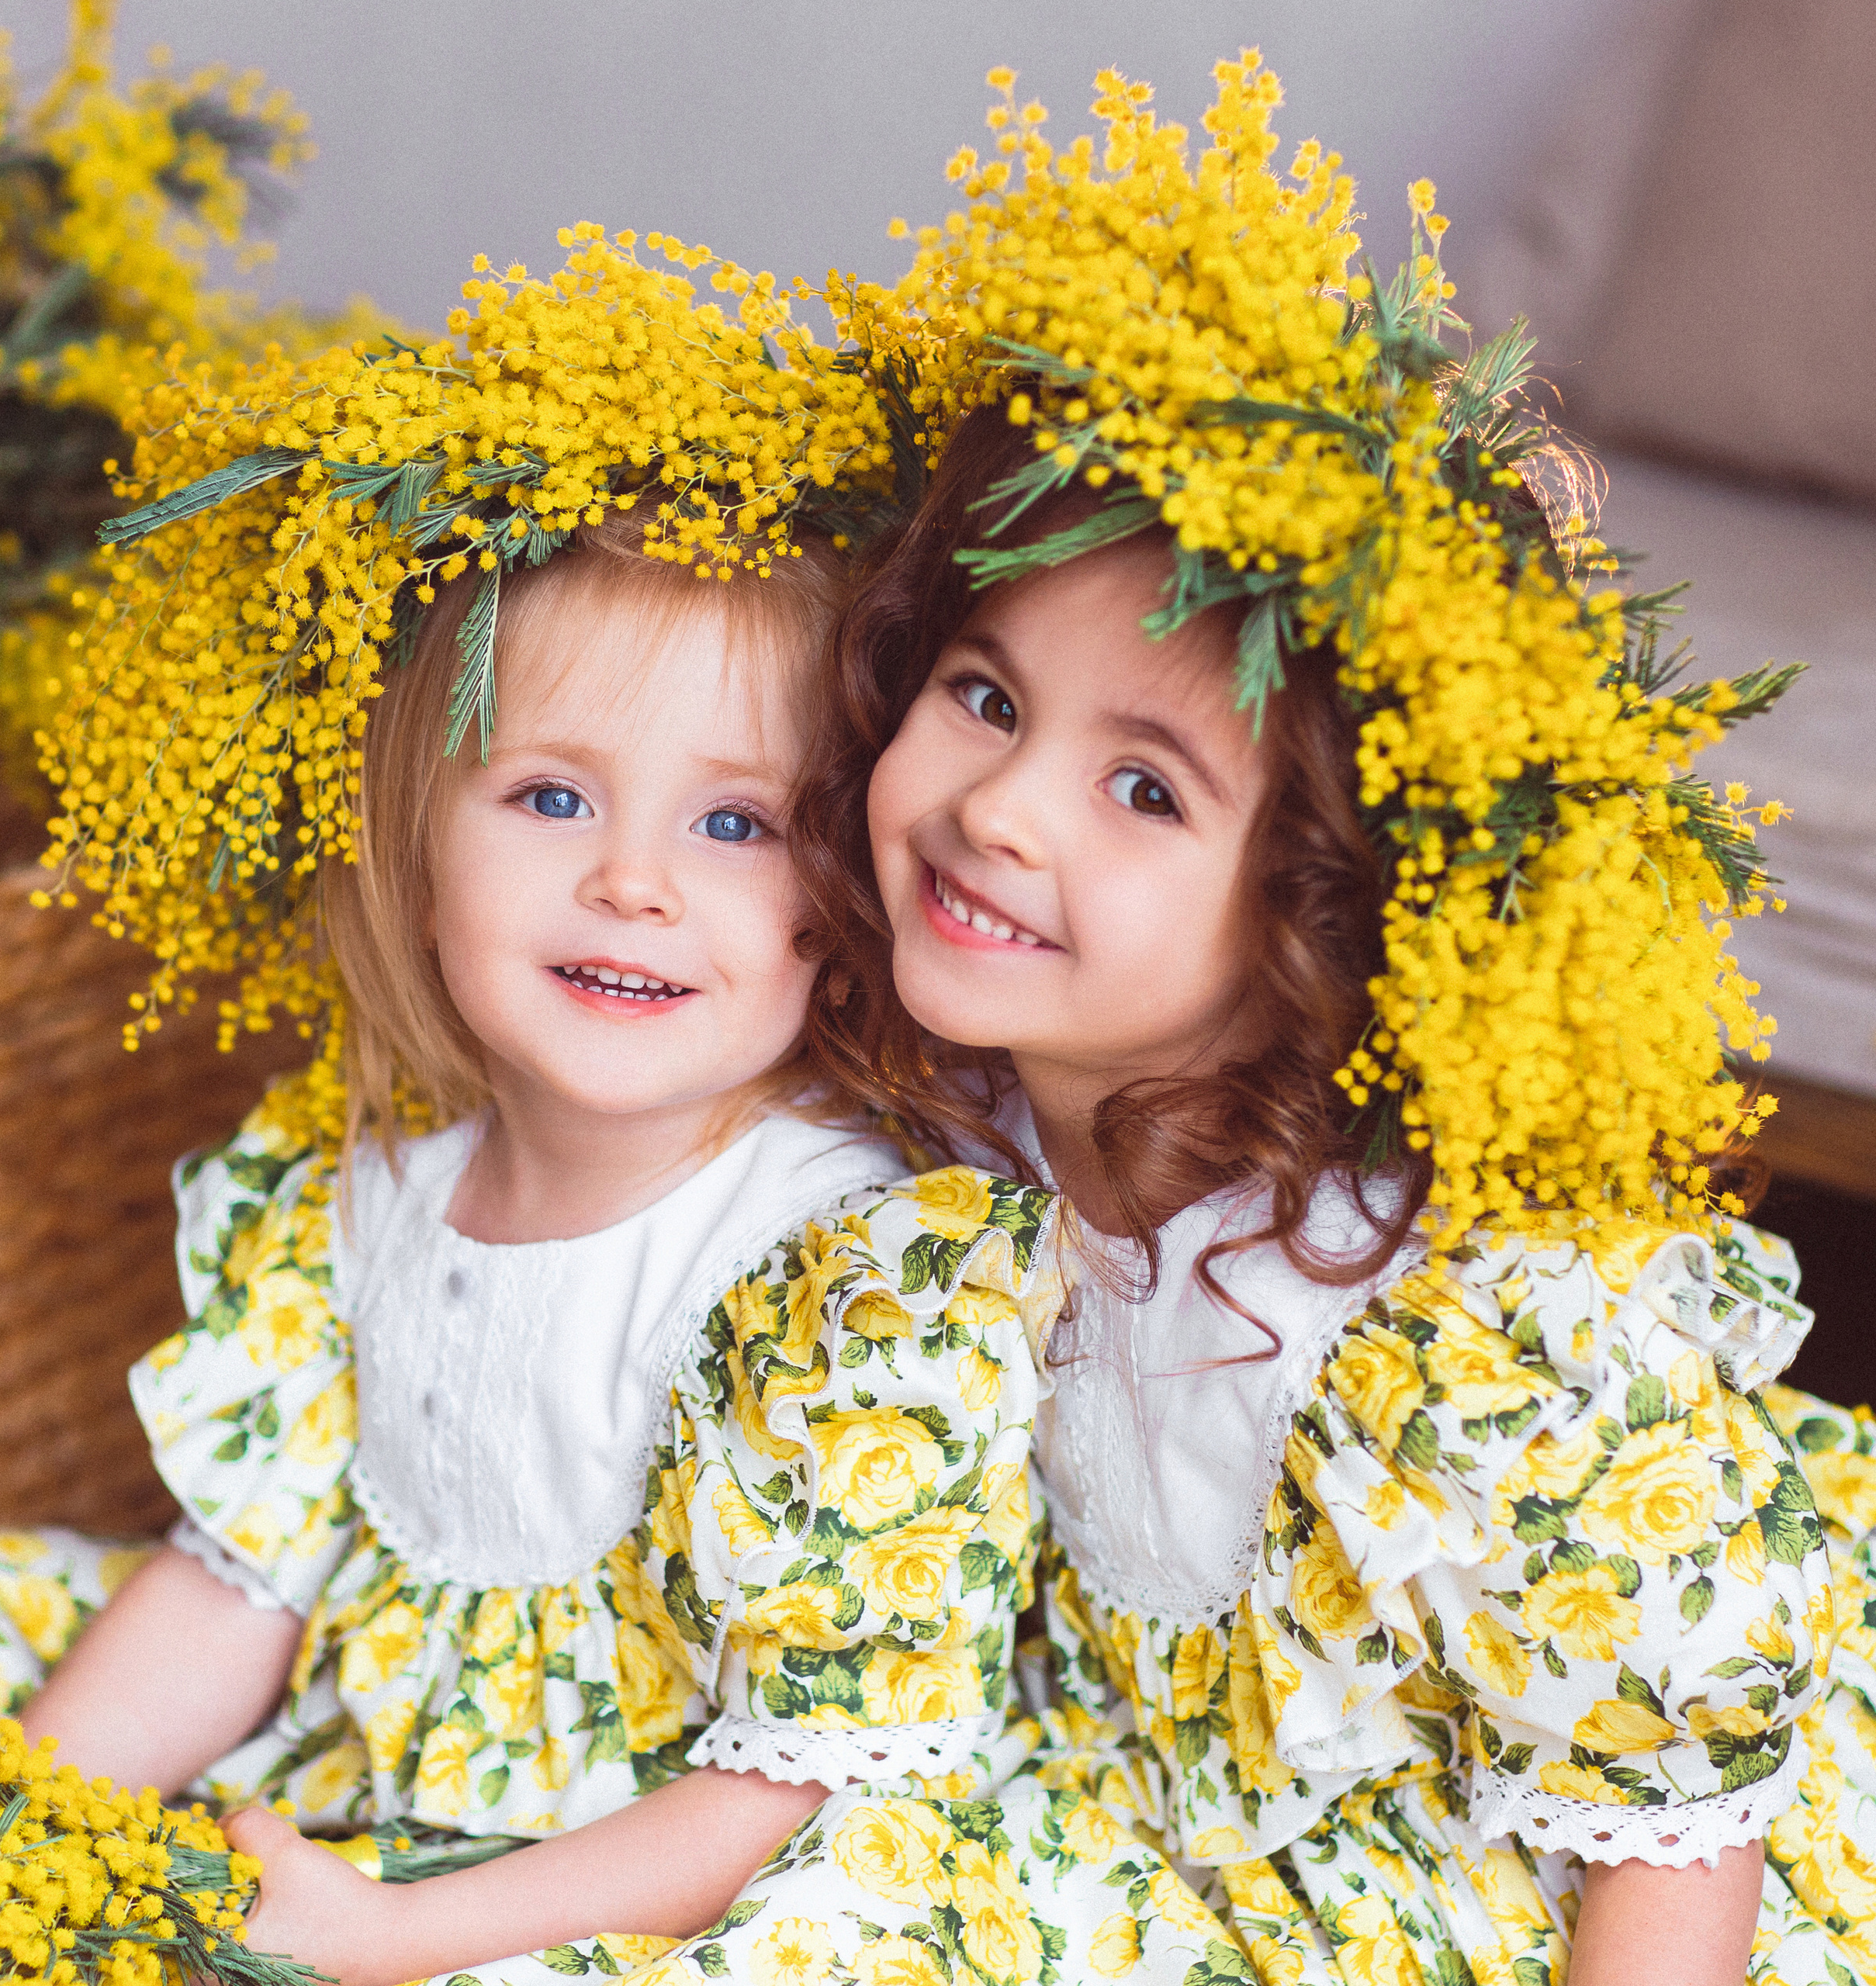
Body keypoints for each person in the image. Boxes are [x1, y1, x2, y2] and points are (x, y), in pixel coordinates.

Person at [614, 56, 1874, 1986]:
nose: (997, 806)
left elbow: (1665, 1832)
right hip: (1147, 1831)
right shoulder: (949, 1128)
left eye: (1146, 790)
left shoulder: (1459, 1329)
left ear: (1323, 911)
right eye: (980, 691)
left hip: (1513, 1888)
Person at [0, 244, 1057, 1986]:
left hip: (684, 1866)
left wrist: (399, 1935)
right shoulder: (361, 1190)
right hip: (383, 1796)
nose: (632, 881)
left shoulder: (842, 1268)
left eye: (733, 825)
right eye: (551, 792)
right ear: (419, 836)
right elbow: (236, 1594)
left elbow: (787, 1783)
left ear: (841, 898)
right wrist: (1, 1865)